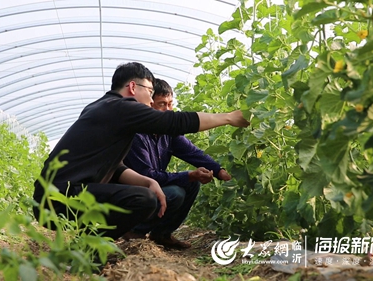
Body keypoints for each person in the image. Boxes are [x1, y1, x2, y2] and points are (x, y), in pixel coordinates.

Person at [32, 62, 250, 243]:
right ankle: (91, 248)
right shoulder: (120, 108)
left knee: (146, 192)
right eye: (150, 91)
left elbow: (115, 167)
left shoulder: (103, 109)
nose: (150, 98)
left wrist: (148, 182)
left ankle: (92, 243)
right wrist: (229, 117)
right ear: (133, 87)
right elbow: (175, 122)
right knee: (143, 200)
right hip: (59, 199)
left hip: (54, 196)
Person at [122, 79, 232, 249]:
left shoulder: (168, 132)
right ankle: (134, 230)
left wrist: (219, 170)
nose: (168, 110)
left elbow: (192, 152)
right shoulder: (136, 134)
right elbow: (147, 176)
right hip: (133, 193)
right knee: (175, 193)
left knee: (190, 184)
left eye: (170, 104)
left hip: (151, 189)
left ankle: (162, 234)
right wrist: (188, 175)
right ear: (149, 105)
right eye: (162, 104)